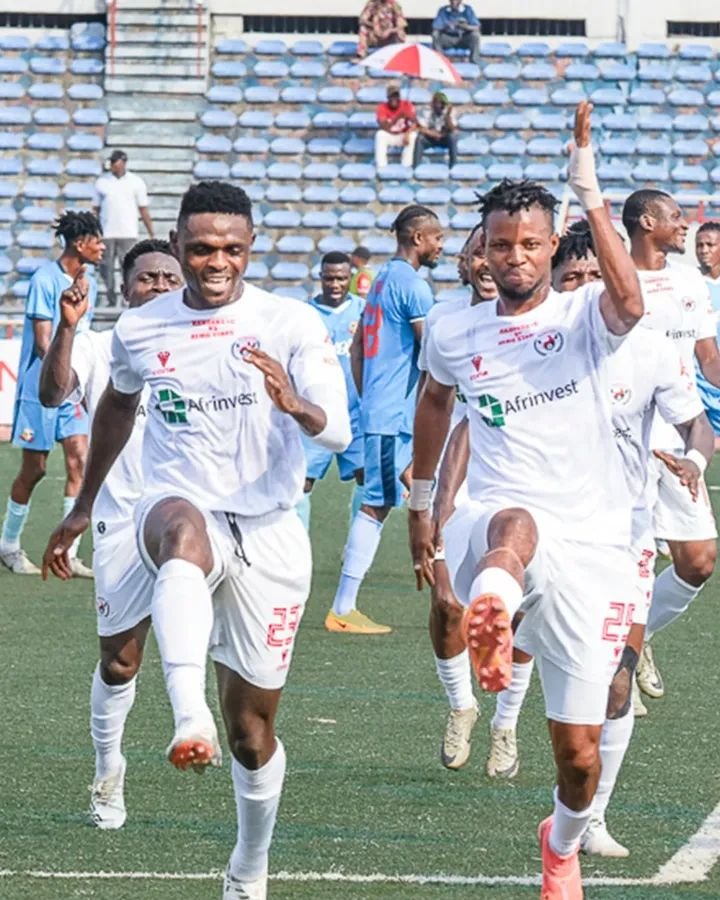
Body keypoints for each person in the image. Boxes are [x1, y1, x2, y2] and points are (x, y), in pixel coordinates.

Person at [42, 180, 351, 900]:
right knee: (175, 542)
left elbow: (336, 428)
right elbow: (115, 405)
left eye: (232, 250)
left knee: (255, 735)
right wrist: (84, 504)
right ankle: (184, 719)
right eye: (203, 249)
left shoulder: (289, 322)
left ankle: (248, 865)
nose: (218, 263)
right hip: (172, 509)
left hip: (270, 532)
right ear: (177, 247)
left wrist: (294, 403)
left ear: (251, 249)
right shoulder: (142, 328)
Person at [409, 102, 645, 897]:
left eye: (531, 244)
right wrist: (422, 507)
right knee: (513, 525)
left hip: (594, 544)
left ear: (552, 247)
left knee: (578, 757)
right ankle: (495, 619)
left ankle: (561, 842)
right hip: (496, 519)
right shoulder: (452, 329)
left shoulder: (582, 313)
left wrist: (588, 186)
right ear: (482, 249)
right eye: (502, 243)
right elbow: (434, 406)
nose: (515, 256)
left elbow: (632, 303)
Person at [483, 221, 712, 860]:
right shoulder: (523, 350)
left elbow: (695, 424)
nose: (585, 288)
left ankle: (589, 823)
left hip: (623, 539)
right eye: (572, 278)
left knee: (617, 679)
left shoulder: (647, 350)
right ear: (555, 288)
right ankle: (503, 724)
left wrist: (694, 460)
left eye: (594, 277)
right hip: (542, 527)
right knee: (526, 633)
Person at [38, 239, 183, 830]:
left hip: (197, 523)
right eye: (146, 277)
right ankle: (107, 768)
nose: (159, 285)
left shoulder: (210, 347)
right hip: (121, 523)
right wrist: (68, 329)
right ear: (126, 289)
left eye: (169, 277)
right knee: (121, 663)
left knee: (218, 652)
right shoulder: (101, 347)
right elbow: (53, 393)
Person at [623, 190, 720, 709]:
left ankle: (642, 635)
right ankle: (621, 656)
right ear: (647, 222)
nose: (685, 226)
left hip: (683, 436)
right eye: (676, 217)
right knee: (631, 560)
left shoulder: (689, 282)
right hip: (626, 440)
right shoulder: (613, 281)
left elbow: (707, 354)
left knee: (699, 561)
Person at [327, 205, 443, 636]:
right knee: (377, 505)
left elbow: (358, 350)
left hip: (385, 409)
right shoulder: (414, 286)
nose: (440, 245)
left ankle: (451, 584)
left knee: (424, 487)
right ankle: (343, 606)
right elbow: (431, 355)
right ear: (417, 239)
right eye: (436, 237)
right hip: (393, 416)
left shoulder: (378, 282)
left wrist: (369, 391)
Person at [418, 224, 496, 771]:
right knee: (447, 603)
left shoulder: (543, 317)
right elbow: (432, 401)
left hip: (510, 473)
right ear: (463, 265)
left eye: (493, 251)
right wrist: (419, 469)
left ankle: (508, 723)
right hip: (450, 471)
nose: (487, 262)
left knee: (519, 602)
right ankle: (461, 706)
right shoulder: (445, 321)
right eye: (476, 253)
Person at [0, 211, 103, 576]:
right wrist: (65, 377)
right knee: (36, 469)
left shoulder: (90, 282)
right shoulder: (45, 280)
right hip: (41, 389)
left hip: (71, 391)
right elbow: (46, 344)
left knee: (79, 460)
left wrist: (83, 384)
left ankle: (68, 552)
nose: (103, 247)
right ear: (80, 243)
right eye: (98, 241)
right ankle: (9, 545)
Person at [297, 252, 365, 530]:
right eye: (329, 278)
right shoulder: (305, 314)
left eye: (340, 279)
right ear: (320, 278)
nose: (335, 284)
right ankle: (295, 546)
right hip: (317, 410)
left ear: (349, 278)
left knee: (367, 478)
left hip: (356, 411)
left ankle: (357, 552)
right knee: (301, 481)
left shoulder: (364, 311)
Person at [93, 150, 154, 307]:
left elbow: (143, 209)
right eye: (112, 162)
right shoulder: (102, 182)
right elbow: (96, 209)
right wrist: (94, 231)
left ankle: (127, 296)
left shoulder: (136, 182)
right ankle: (111, 295)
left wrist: (150, 231)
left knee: (126, 267)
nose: (113, 165)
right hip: (107, 232)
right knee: (105, 267)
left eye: (116, 162)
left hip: (127, 232)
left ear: (123, 163)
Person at [693, 221, 720, 445]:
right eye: (699, 245)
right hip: (695, 381)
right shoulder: (688, 282)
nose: (704, 251)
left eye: (710, 245)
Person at [374, 84, 417, 170]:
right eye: (391, 96)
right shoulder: (382, 107)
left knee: (413, 136)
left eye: (396, 96)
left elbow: (416, 123)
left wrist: (408, 132)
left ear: (399, 97)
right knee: (380, 134)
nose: (394, 99)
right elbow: (383, 126)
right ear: (387, 98)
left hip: (403, 135)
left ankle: (406, 165)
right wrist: (397, 117)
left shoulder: (406, 105)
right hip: (389, 135)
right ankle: (381, 165)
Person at [413, 91, 459, 169]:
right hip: (430, 138)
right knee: (419, 138)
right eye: (438, 103)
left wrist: (447, 116)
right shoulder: (427, 112)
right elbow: (421, 129)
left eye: (442, 104)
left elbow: (452, 129)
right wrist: (434, 134)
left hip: (444, 139)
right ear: (433, 103)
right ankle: (416, 167)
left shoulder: (450, 112)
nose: (440, 106)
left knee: (453, 138)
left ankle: (453, 167)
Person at [432, 0, 481, 64]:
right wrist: (446, 27)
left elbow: (477, 27)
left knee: (475, 35)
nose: (454, 2)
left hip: (463, 38)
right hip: (448, 38)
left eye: (456, 0)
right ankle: (440, 61)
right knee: (435, 35)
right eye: (452, 1)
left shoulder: (467, 10)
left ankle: (474, 61)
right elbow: (435, 27)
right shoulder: (443, 11)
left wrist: (465, 27)